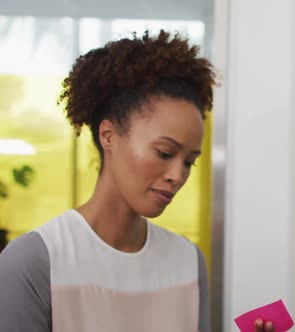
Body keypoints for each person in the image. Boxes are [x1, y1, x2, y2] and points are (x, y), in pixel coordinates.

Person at [0, 30, 274, 332]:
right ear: (109, 135)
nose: (177, 175)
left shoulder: (187, 262)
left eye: (189, 161)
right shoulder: (34, 262)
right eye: (164, 152)